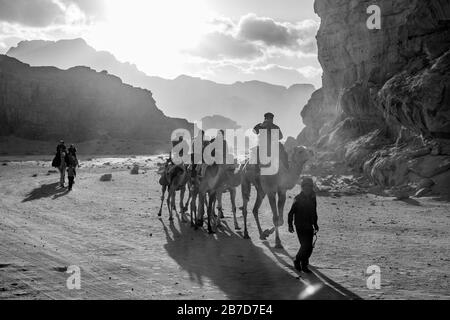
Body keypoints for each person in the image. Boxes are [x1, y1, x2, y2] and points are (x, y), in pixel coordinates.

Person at [288, 177, 319, 273]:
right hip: (300, 225)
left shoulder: (313, 198)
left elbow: (314, 212)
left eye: (310, 186)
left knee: (309, 248)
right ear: (302, 187)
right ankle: (297, 260)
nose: (308, 188)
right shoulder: (297, 198)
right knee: (305, 246)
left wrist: (315, 224)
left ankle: (304, 265)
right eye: (306, 186)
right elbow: (291, 213)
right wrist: (290, 225)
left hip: (309, 225)